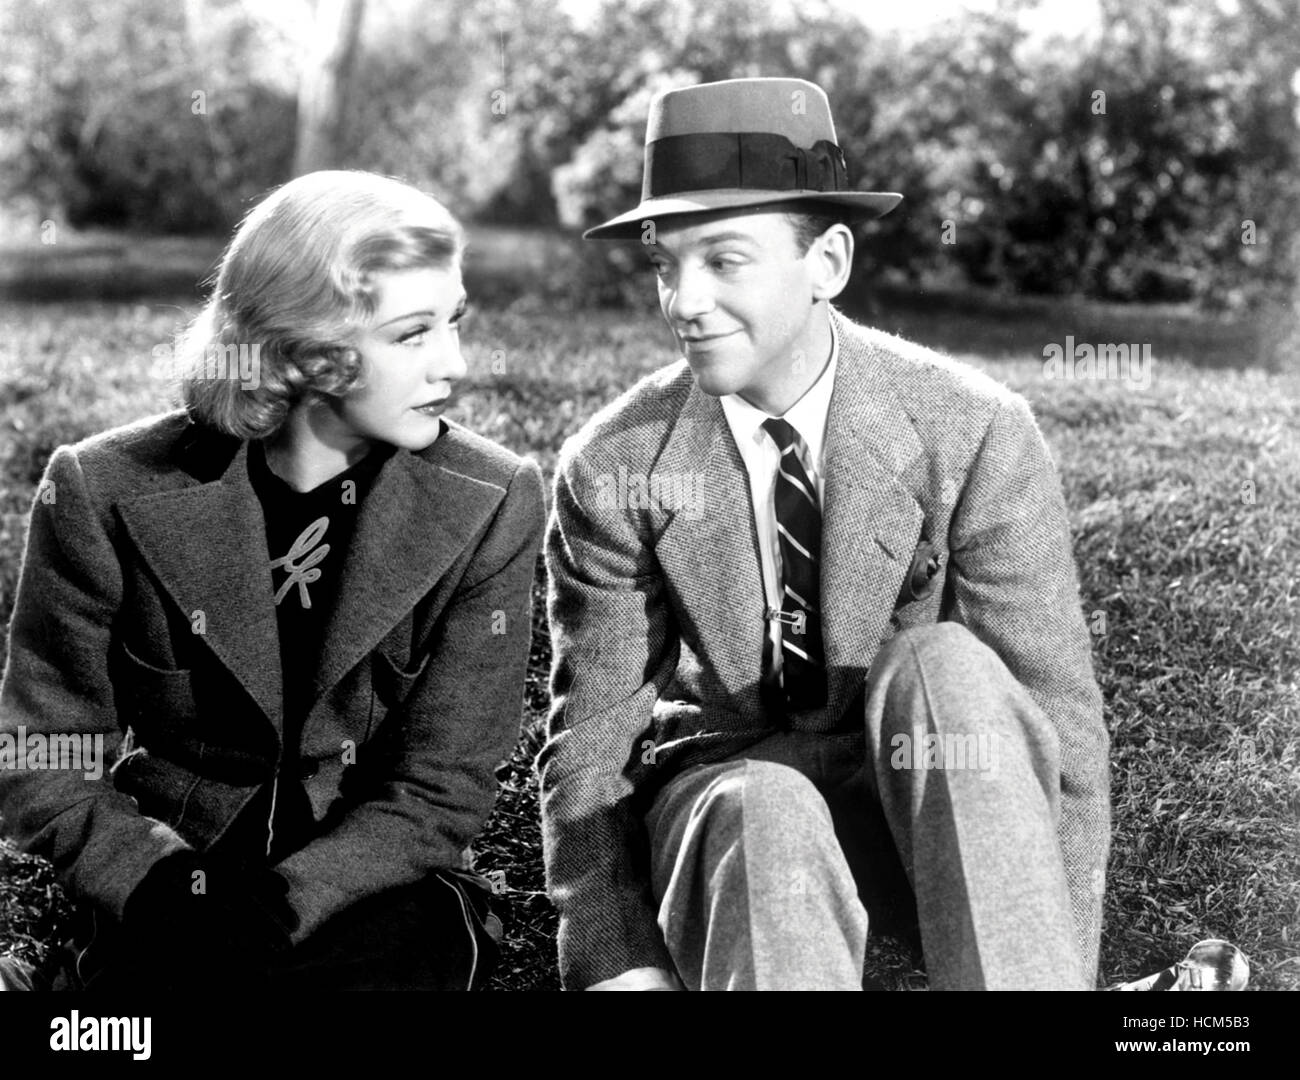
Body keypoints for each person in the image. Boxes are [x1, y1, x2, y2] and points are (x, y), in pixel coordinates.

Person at [538, 78, 1111, 990]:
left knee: (945, 668)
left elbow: (1057, 715)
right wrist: (615, 960)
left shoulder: (972, 427)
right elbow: (592, 741)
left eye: (725, 260)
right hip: (735, 807)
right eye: (664, 264)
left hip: (927, 800)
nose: (683, 301)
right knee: (761, 808)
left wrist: (1056, 955)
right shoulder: (616, 464)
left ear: (829, 262)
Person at [0, 170, 546, 991]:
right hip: (172, 875)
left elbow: (443, 780)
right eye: (413, 334)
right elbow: (45, 747)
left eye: (454, 323)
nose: (456, 364)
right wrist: (152, 881)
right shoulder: (101, 489)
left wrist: (287, 902)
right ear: (308, 350)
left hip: (373, 882)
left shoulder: (492, 500)